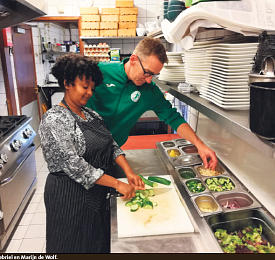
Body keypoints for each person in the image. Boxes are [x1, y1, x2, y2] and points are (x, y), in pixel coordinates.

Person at [38, 53, 145, 253]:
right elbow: (75, 165)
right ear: (67, 83)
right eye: (84, 86)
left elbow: (111, 144)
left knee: (97, 244)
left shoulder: (91, 114)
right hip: (69, 198)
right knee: (71, 245)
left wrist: (128, 172)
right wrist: (116, 183)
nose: (89, 93)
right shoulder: (54, 120)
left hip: (96, 194)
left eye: (92, 88)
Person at [86, 37, 218, 170]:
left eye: (153, 75)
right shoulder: (100, 72)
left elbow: (173, 118)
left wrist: (200, 145)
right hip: (80, 149)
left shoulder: (150, 91)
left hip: (111, 154)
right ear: (133, 60)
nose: (149, 80)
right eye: (147, 73)